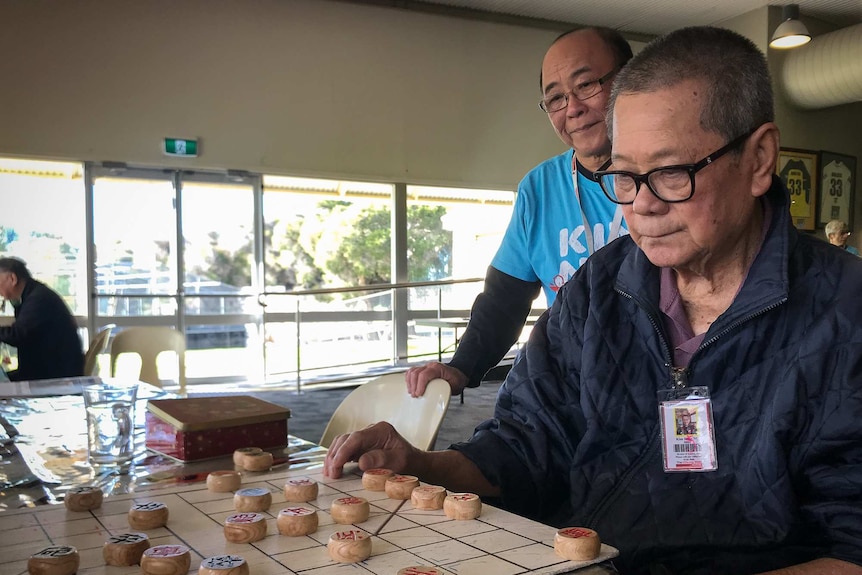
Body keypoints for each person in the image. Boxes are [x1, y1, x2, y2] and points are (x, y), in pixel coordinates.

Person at [326, 26, 862, 574]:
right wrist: (421, 465)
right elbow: (523, 445)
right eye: (624, 177)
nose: (641, 206)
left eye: (671, 173)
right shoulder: (601, 286)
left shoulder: (845, 316)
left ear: (759, 159)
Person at [406, 27, 632, 397]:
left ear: (629, 80)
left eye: (587, 84)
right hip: (576, 388)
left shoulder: (673, 176)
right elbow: (504, 299)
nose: (572, 108)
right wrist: (461, 366)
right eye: (555, 98)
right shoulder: (540, 188)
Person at [0, 257, 84, 381]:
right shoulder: (34, 293)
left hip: (56, 374)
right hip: (50, 367)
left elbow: (18, 335)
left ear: (12, 279)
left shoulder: (38, 299)